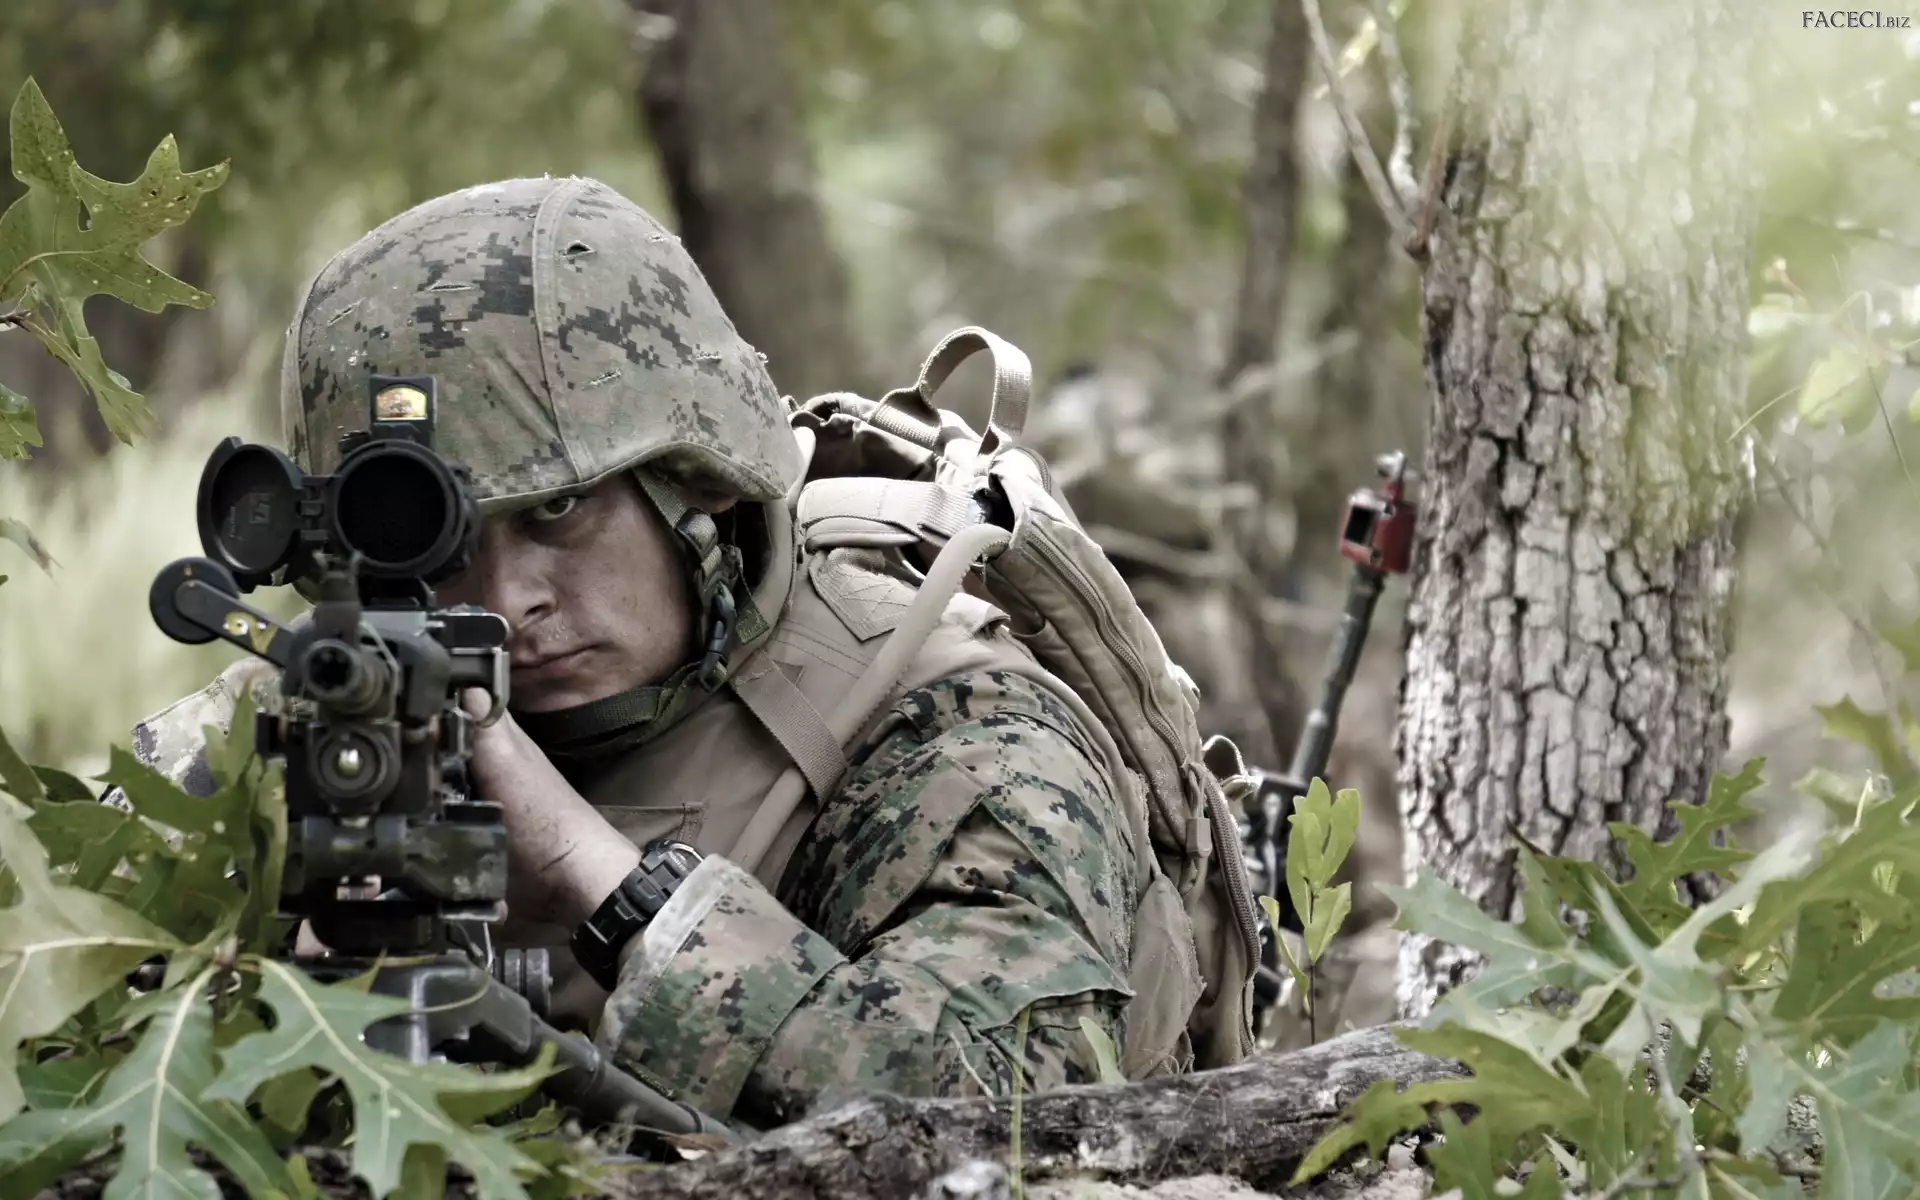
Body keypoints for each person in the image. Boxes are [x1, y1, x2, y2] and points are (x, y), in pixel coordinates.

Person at [126, 177, 1145, 1128]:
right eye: (438, 546)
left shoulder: (938, 726)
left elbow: (1029, 1121)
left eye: (557, 512)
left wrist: (606, 882)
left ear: (698, 482)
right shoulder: (284, 733)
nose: (506, 602)